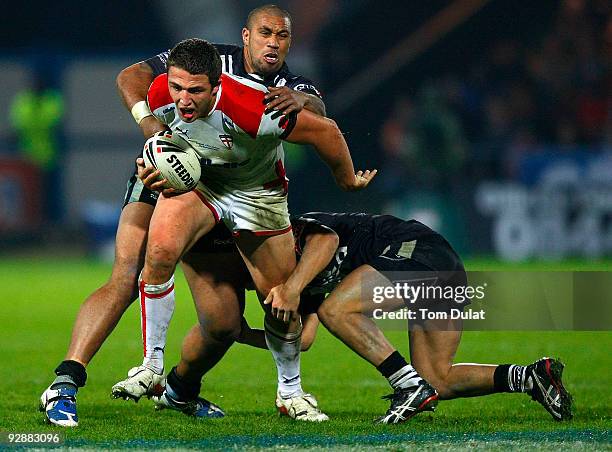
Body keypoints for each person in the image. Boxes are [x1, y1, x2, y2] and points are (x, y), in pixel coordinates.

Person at [38, 4, 332, 427]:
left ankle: (179, 391)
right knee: (127, 273)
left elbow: (319, 118)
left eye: (281, 35)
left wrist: (302, 100)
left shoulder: (291, 86)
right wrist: (153, 133)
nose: (272, 42)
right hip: (170, 172)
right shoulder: (205, 58)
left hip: (234, 194)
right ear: (246, 36)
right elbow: (132, 77)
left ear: (290, 41)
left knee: (223, 324)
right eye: (264, 32)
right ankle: (66, 381)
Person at [121, 38, 373, 421]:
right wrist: (153, 142)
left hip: (257, 195)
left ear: (217, 84)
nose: (183, 99)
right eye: (177, 88)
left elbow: (327, 132)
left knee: (278, 296)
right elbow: (134, 88)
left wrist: (346, 180)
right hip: (203, 184)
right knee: (159, 251)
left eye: (195, 90)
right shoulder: (161, 93)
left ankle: (290, 392)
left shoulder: (255, 108)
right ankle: (152, 368)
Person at [155, 212, 573, 423]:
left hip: (415, 250)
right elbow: (302, 339)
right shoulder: (290, 283)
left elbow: (328, 238)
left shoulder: (282, 236)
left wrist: (295, 286)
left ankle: (407, 386)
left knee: (340, 308)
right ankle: (530, 376)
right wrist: (242, 333)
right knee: (439, 379)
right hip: (441, 267)